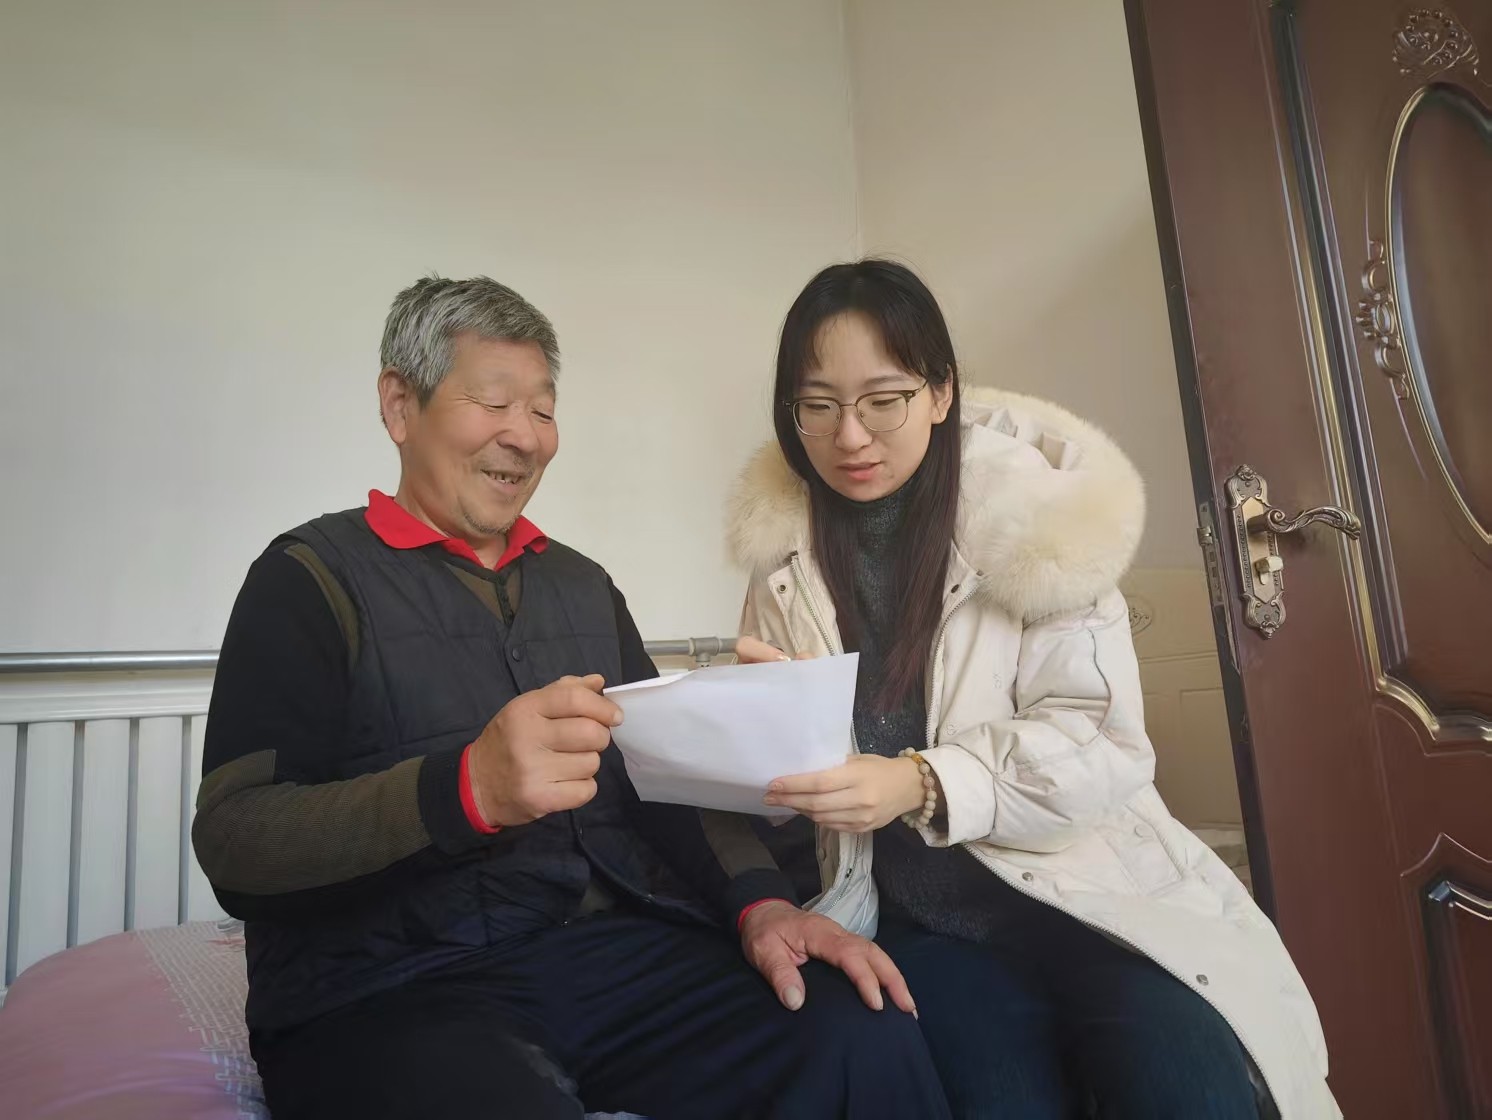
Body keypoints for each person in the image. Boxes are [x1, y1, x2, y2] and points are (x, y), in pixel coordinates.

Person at [192, 275, 951, 1120]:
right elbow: (236, 841)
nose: (524, 435)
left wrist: (762, 906)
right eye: (493, 402)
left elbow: (665, 785)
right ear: (400, 406)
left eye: (543, 410)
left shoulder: (582, 587)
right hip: (389, 991)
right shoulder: (307, 580)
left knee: (856, 1031)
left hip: (603, 959)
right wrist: (467, 789)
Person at [727, 259, 1340, 1119]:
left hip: (1086, 893)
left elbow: (1100, 739)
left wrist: (920, 781)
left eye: (883, 400)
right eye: (818, 406)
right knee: (1001, 1098)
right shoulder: (784, 560)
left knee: (1187, 1082)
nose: (850, 436)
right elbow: (785, 787)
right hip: (919, 917)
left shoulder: (1037, 522)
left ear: (940, 391)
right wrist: (756, 731)